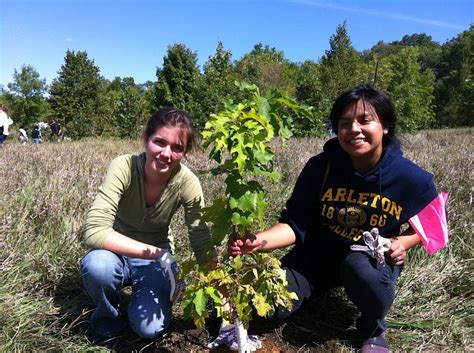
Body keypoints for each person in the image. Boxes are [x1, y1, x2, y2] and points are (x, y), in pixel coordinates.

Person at [229, 84, 441, 353]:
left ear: (385, 125)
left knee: (359, 269)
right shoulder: (321, 167)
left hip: (368, 260)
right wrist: (257, 241)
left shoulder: (409, 178)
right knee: (268, 311)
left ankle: (373, 330)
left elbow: (435, 223)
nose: (354, 129)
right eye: (344, 123)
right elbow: (296, 224)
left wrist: (404, 242)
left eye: (365, 120)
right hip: (316, 257)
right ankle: (312, 292)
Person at [80, 108, 217, 348]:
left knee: (149, 328)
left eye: (177, 148)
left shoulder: (187, 182)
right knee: (98, 267)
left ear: (184, 153)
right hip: (116, 252)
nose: (166, 153)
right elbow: (94, 230)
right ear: (146, 139)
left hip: (155, 263)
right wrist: (158, 253)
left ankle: (135, 300)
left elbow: (200, 236)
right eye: (159, 142)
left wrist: (219, 281)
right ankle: (108, 322)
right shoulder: (123, 167)